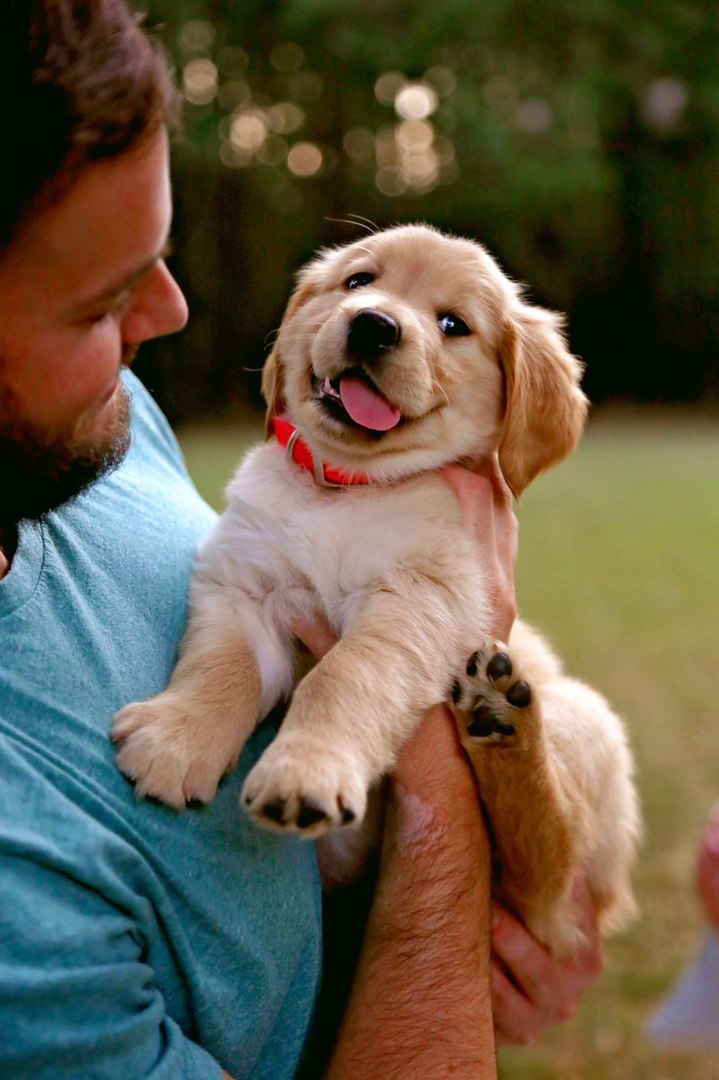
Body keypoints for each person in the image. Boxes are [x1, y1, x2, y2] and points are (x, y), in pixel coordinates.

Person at [0, 2, 602, 1076]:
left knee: (574, 727)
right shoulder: (26, 909)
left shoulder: (105, 426)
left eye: (448, 325)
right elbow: (255, 613)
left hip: (453, 824)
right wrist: (441, 905)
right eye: (100, 305)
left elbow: (282, 612)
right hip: (374, 930)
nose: (169, 316)